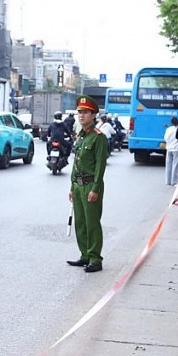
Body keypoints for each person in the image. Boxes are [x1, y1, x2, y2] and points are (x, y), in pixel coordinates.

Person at [67, 95, 109, 273]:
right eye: (79, 112)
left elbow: (100, 166)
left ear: (94, 115)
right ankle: (84, 254)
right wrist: (71, 187)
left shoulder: (98, 138)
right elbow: (76, 163)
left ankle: (95, 258)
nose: (81, 115)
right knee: (80, 222)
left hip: (91, 185)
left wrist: (95, 189)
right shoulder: (81, 136)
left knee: (92, 222)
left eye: (85, 112)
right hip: (78, 185)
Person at [164, 116, 178, 185]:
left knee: (168, 165)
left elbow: (165, 138)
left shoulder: (168, 129)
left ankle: (168, 181)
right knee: (175, 165)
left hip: (169, 148)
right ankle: (174, 181)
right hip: (176, 148)